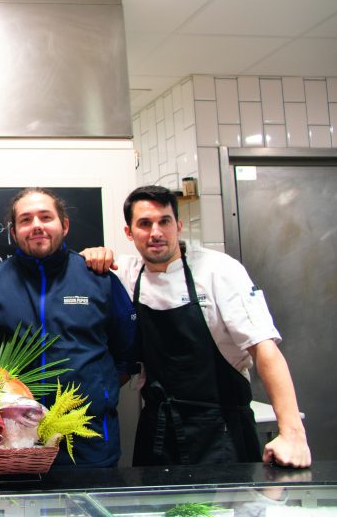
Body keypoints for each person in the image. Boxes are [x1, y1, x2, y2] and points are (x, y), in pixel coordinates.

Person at [84, 185, 310, 468]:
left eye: (164, 221)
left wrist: (292, 433)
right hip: (157, 429)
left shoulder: (219, 270)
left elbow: (264, 348)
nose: (156, 233)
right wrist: (93, 254)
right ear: (129, 232)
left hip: (221, 430)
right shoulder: (128, 274)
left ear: (178, 226)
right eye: (144, 223)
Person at [0, 187, 138, 468]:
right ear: (13, 232)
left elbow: (126, 352)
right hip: (11, 442)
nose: (36, 225)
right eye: (26, 220)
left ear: (64, 225)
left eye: (45, 217)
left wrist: (101, 390)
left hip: (89, 439)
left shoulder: (99, 278)